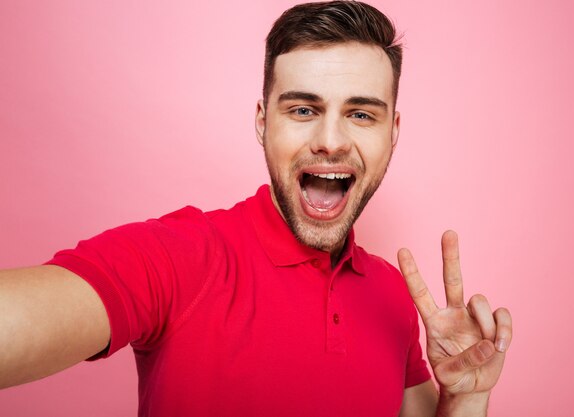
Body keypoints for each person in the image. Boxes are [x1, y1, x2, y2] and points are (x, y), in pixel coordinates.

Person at [0, 1, 512, 416]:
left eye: (360, 113)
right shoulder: (180, 258)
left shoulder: (395, 298)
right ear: (263, 121)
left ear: (392, 133)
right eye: (304, 109)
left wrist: (465, 396)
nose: (330, 141)